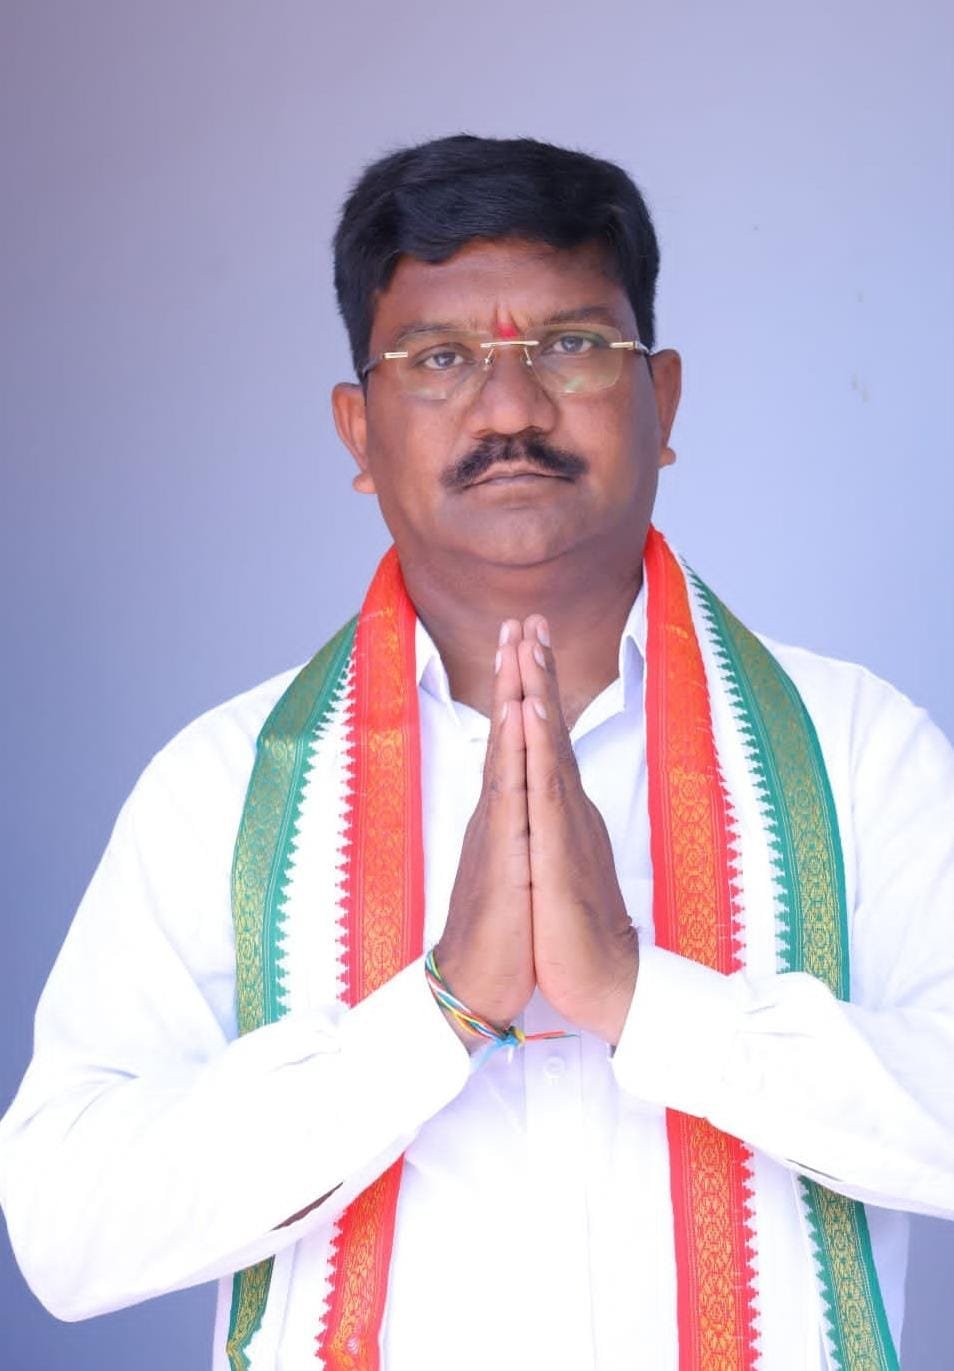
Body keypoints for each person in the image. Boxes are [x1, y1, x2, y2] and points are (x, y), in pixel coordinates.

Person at [1, 134, 952, 1371]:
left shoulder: (855, 750)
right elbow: (66, 1228)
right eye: (440, 358)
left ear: (664, 402)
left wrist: (643, 998)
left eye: (572, 345)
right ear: (358, 431)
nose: (510, 409)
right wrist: (438, 1010)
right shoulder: (225, 786)